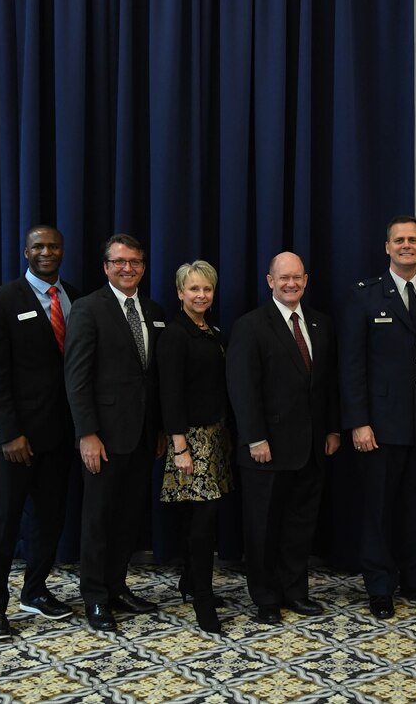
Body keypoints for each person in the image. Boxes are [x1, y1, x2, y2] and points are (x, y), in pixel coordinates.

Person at [340, 215, 416, 619]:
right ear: (387, 247)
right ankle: (379, 585)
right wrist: (358, 421)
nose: (406, 245)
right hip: (379, 426)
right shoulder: (364, 296)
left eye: (413, 240)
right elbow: (351, 364)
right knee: (379, 509)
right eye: (399, 240)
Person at [0, 225, 79, 641]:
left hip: (59, 436)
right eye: (39, 246)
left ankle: (35, 590)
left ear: (63, 251)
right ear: (26, 252)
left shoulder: (76, 297)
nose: (47, 252)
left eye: (53, 245)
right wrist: (9, 432)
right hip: (14, 441)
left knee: (50, 521)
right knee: (1, 524)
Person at [225, 252, 341, 625]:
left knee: (299, 526)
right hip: (267, 448)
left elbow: (328, 386)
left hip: (311, 448)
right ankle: (265, 597)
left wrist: (333, 429)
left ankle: (295, 592)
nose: (290, 284)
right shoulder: (251, 326)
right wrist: (254, 438)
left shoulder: (322, 324)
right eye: (283, 278)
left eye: (297, 278)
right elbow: (242, 389)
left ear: (306, 280)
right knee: (262, 527)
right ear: (269, 281)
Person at [64, 233, 166, 633]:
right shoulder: (88, 309)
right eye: (120, 262)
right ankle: (95, 597)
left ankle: (117, 586)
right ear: (106, 267)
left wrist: (156, 429)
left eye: (135, 262)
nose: (128, 268)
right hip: (103, 438)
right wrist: (86, 433)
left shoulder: (154, 311)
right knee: (99, 520)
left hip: (142, 436)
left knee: (127, 518)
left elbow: (153, 379)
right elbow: (76, 379)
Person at [157, 260, 233, 635]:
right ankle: (203, 602)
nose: (201, 295)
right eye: (194, 289)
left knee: (204, 519)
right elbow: (168, 394)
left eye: (207, 289)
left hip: (216, 437)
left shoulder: (212, 331)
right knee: (201, 525)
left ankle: (190, 582)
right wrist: (180, 447)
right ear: (180, 293)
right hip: (190, 441)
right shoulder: (175, 334)